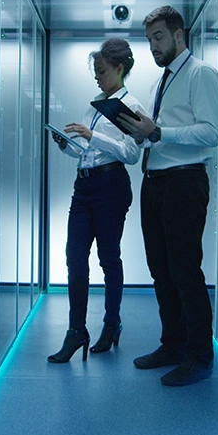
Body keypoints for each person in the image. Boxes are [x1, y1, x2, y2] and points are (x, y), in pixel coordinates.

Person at [118, 6, 218, 386]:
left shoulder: (201, 74)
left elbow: (211, 133)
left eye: (158, 38)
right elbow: (159, 129)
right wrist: (141, 131)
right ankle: (173, 344)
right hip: (156, 181)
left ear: (179, 35)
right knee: (160, 271)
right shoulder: (159, 82)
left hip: (184, 182)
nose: (153, 46)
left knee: (184, 272)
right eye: (149, 40)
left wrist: (160, 132)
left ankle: (200, 355)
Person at [47, 38, 145, 363]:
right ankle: (76, 330)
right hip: (85, 185)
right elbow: (85, 151)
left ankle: (111, 322)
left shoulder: (132, 107)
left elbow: (131, 153)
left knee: (108, 258)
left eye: (101, 71)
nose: (97, 77)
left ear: (120, 68)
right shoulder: (94, 105)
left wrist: (94, 136)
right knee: (74, 258)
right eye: (95, 72)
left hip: (111, 185)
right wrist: (67, 144)